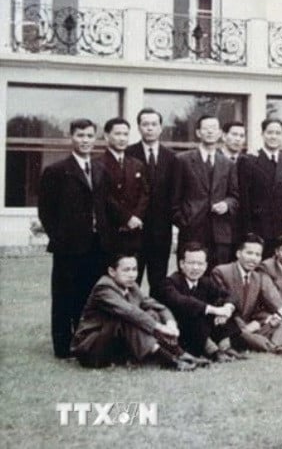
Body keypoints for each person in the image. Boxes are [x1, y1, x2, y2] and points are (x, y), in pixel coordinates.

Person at [38, 118, 107, 358]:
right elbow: (46, 211)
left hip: (96, 245)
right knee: (64, 296)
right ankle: (62, 345)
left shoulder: (100, 169)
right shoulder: (56, 171)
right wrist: (59, 238)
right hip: (68, 246)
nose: (85, 140)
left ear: (95, 138)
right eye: (80, 135)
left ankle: (83, 340)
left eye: (89, 136)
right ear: (71, 137)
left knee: (88, 295)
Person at [71, 253, 200, 370]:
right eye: (126, 270)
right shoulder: (104, 287)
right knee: (127, 318)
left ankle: (180, 354)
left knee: (151, 312)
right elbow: (129, 312)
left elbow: (157, 306)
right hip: (90, 350)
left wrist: (170, 323)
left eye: (134, 269)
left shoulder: (131, 286)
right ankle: (170, 361)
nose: (132, 274)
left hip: (112, 344)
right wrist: (160, 327)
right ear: (112, 271)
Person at [211, 234, 282, 355]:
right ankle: (277, 348)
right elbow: (222, 304)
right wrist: (248, 327)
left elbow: (274, 298)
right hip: (229, 324)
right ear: (238, 254)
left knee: (277, 322)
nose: (253, 258)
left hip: (251, 324)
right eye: (249, 253)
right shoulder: (221, 272)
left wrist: (275, 319)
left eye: (257, 255)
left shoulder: (259, 276)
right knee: (241, 333)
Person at [157, 243, 246, 363]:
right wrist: (214, 310)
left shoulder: (206, 282)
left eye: (200, 264)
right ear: (182, 264)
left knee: (224, 308)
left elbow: (231, 296)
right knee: (196, 314)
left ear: (205, 266)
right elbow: (182, 302)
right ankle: (213, 352)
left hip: (204, 329)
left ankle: (225, 348)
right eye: (191, 263)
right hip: (182, 332)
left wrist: (226, 309)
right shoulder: (170, 282)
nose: (195, 268)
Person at [172, 114, 240, 268]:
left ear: (220, 133)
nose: (210, 132)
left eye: (214, 128)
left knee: (218, 279)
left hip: (220, 233)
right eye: (206, 128)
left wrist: (227, 205)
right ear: (198, 133)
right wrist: (184, 222)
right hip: (192, 231)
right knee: (190, 277)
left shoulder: (228, 163)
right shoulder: (183, 160)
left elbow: (235, 197)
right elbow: (173, 198)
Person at [125, 108, 178, 296]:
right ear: (139, 127)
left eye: (154, 124)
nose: (150, 128)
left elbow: (175, 194)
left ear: (161, 128)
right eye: (145, 124)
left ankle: (156, 322)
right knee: (131, 282)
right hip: (133, 232)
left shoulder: (172, 158)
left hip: (161, 233)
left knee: (159, 284)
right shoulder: (128, 154)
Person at [237, 118, 282, 258]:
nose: (273, 136)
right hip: (258, 228)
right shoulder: (249, 161)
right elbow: (244, 199)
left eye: (278, 133)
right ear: (262, 134)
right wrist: (248, 231)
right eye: (270, 132)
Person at [98, 118, 148, 262]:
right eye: (118, 134)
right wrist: (127, 218)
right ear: (107, 136)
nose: (122, 138)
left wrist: (137, 217)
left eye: (125, 134)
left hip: (134, 232)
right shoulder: (98, 164)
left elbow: (145, 194)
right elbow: (105, 196)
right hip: (110, 232)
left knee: (131, 275)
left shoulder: (136, 164)